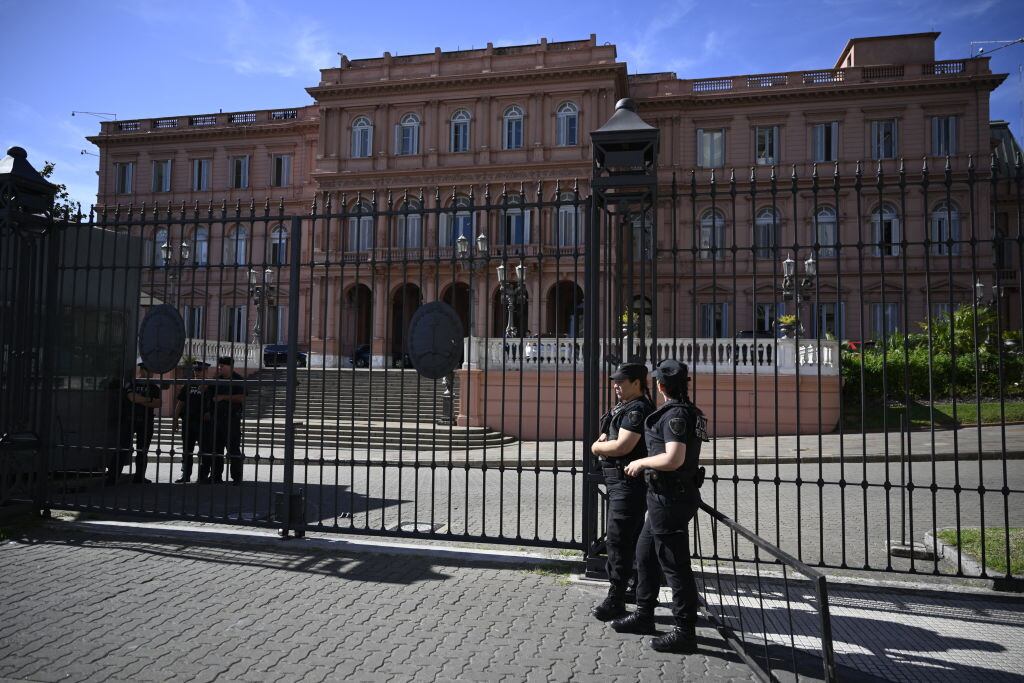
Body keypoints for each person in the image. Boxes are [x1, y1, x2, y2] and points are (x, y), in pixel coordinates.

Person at [611, 358, 709, 654]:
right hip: (662, 497)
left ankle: (684, 631)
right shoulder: (681, 411)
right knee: (645, 554)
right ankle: (644, 615)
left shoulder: (676, 415)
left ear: (661, 385)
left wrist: (640, 461)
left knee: (675, 565)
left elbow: (674, 458)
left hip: (671, 498)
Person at [589, 361, 655, 622]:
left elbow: (623, 446)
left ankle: (616, 598)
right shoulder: (626, 406)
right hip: (619, 483)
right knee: (626, 538)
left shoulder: (637, 409)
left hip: (627, 484)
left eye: (621, 381)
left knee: (618, 540)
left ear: (637, 383)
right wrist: (606, 442)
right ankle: (632, 590)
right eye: (614, 381)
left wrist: (597, 448)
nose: (615, 385)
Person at [112, 362, 162, 485]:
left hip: (146, 421)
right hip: (130, 420)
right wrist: (149, 400)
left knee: (143, 451)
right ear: (143, 370)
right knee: (122, 449)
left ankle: (139, 477)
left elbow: (158, 404)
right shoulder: (132, 383)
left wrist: (140, 400)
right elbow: (132, 398)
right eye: (150, 370)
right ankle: (112, 477)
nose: (153, 373)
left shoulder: (153, 387)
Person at [201, 356, 246, 485]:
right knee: (216, 449)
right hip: (216, 419)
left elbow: (241, 397)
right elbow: (209, 396)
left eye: (223, 366)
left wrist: (224, 397)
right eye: (219, 366)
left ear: (230, 367)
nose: (220, 368)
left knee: (233, 449)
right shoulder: (217, 380)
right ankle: (216, 476)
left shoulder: (238, 379)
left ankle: (237, 477)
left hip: (231, 419)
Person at [172, 361, 210, 484]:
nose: (197, 373)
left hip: (203, 423)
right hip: (188, 422)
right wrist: (175, 419)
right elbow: (180, 403)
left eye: (200, 371)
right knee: (187, 450)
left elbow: (215, 403)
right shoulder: (188, 384)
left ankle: (202, 476)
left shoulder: (211, 385)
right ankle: (185, 475)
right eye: (196, 371)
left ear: (206, 371)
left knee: (204, 450)